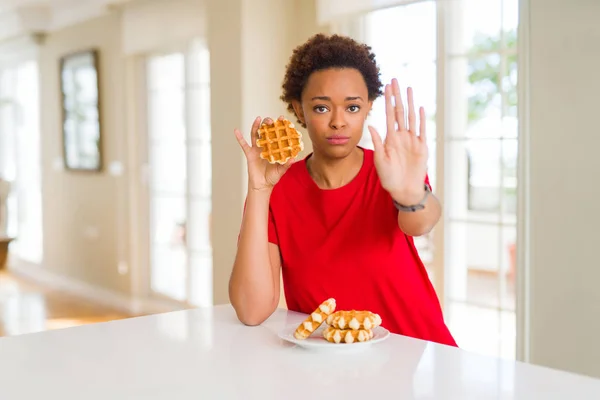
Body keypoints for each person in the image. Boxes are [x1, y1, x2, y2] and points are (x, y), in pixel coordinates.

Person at [229, 33, 457, 347]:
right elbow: (251, 310)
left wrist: (411, 196)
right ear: (300, 109)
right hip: (330, 364)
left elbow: (420, 222)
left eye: (352, 108)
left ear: (368, 108)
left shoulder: (391, 170)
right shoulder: (277, 190)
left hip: (417, 352)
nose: (338, 122)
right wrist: (258, 189)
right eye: (322, 108)